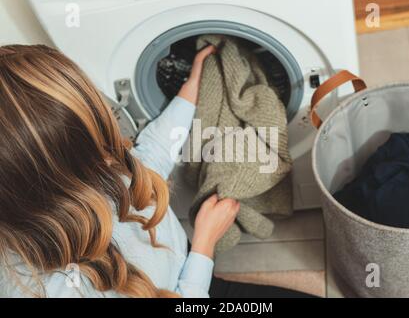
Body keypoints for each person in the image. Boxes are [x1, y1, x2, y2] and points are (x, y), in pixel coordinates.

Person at [0, 44, 312, 298]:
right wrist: (204, 243)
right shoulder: (45, 288)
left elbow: (151, 155)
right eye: (98, 138)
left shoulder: (90, 178)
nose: (113, 145)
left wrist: (193, 87)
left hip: (193, 274)